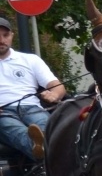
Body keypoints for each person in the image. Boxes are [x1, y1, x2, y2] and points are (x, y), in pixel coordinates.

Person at [0, 15, 66, 163]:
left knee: (45, 128)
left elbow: (57, 86)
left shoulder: (30, 60)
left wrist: (55, 95)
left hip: (32, 108)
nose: (2, 40)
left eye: (5, 35)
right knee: (15, 130)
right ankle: (42, 151)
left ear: (12, 35)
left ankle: (43, 151)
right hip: (3, 113)